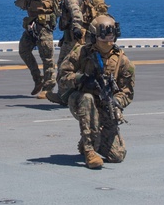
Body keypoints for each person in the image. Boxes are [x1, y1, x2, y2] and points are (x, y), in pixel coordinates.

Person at [57, 14, 135, 169]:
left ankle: (92, 139)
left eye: (111, 39)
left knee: (117, 156)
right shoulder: (81, 52)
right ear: (94, 37)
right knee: (87, 98)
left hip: (106, 105)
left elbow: (127, 92)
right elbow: (62, 77)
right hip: (80, 101)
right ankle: (89, 150)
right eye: (103, 39)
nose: (108, 43)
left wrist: (116, 102)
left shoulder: (122, 60)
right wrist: (81, 79)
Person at [0, 0, 58, 98]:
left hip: (43, 25)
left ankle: (48, 88)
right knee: (24, 50)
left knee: (47, 57)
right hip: (32, 24)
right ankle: (38, 79)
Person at [45, 0, 85, 104]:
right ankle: (74, 94)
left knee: (64, 66)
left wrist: (76, 27)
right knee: (76, 67)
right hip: (76, 38)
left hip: (73, 39)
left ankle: (63, 96)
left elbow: (76, 12)